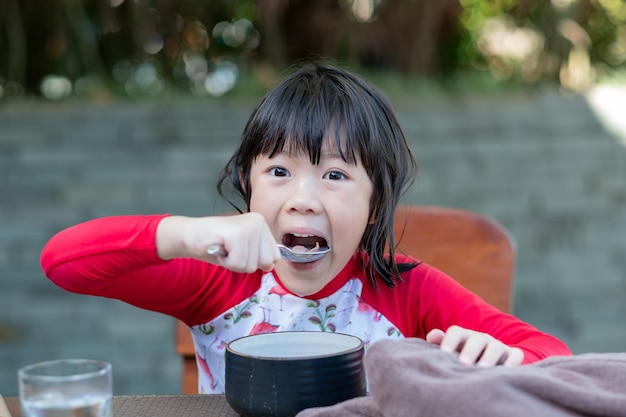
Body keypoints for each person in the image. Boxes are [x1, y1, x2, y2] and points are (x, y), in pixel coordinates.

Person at [40, 62, 571, 394]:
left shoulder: (407, 291)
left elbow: (558, 360)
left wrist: (510, 358)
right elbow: (64, 263)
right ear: (247, 185)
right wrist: (184, 234)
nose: (303, 199)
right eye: (278, 171)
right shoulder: (213, 281)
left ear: (374, 202)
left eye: (335, 175)